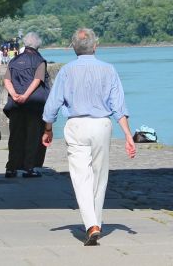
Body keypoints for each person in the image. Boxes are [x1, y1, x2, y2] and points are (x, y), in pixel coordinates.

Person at [42, 28, 136, 246]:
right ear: (96, 46)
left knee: (80, 176)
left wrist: (48, 128)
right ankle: (96, 222)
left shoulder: (66, 71)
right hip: (101, 125)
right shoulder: (109, 70)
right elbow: (118, 106)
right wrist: (128, 135)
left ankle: (91, 224)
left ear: (74, 48)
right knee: (99, 175)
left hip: (76, 125)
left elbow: (53, 104)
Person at [3, 32, 50, 179]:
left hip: (15, 105)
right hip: (33, 106)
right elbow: (37, 80)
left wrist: (15, 95)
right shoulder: (39, 61)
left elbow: (6, 81)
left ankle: (11, 168)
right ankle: (29, 168)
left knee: (15, 136)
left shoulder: (14, 60)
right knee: (32, 136)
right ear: (38, 45)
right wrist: (25, 96)